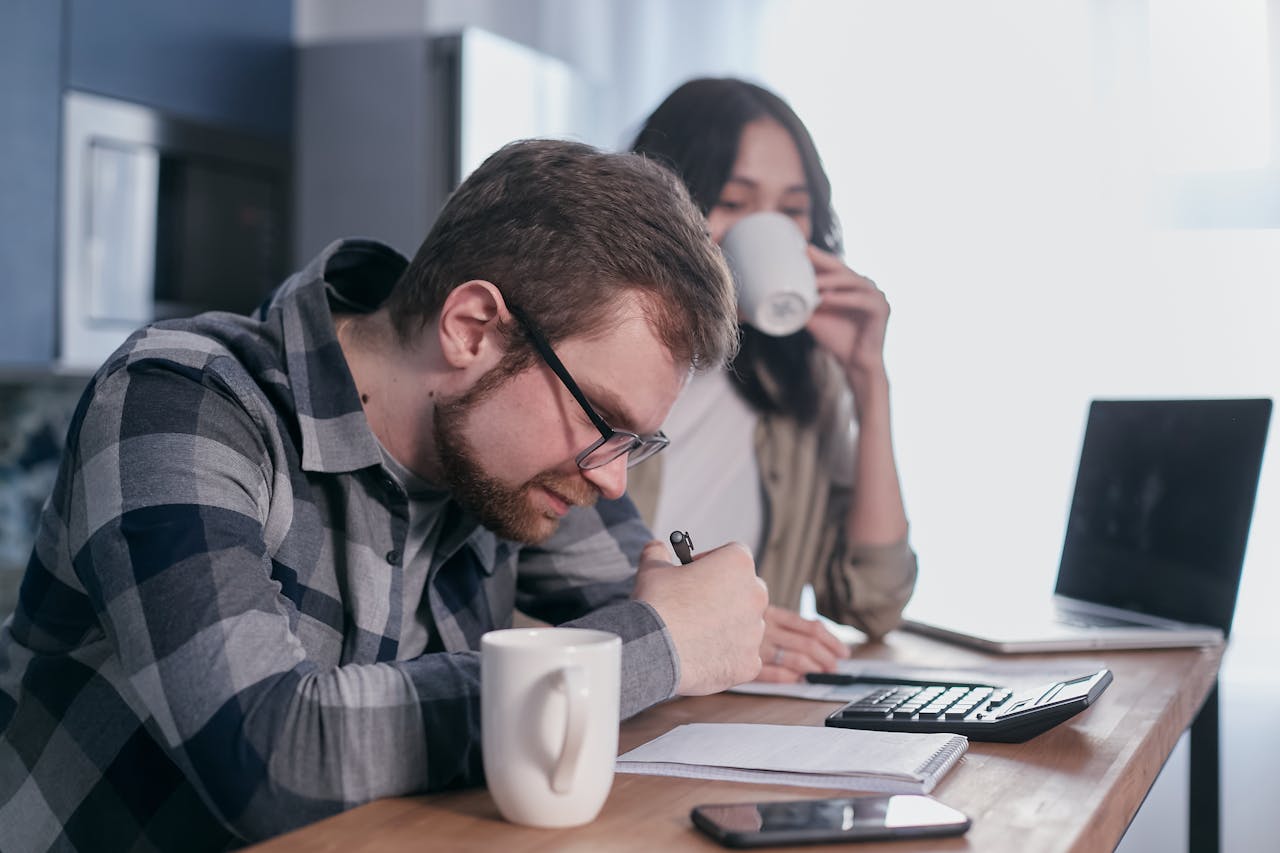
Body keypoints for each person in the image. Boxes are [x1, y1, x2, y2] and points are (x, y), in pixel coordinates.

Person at [0, 139, 767, 851]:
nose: (612, 478)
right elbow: (265, 755)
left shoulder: (504, 454)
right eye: (605, 421)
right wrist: (661, 641)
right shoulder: (179, 398)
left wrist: (693, 624)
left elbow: (653, 608)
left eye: (637, 440)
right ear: (471, 328)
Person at [626, 77, 917, 682]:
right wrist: (694, 642)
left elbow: (872, 601)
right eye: (733, 202)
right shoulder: (601, 363)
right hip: (625, 704)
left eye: (790, 211)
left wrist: (870, 380)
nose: (768, 231)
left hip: (748, 716)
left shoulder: (804, 379)